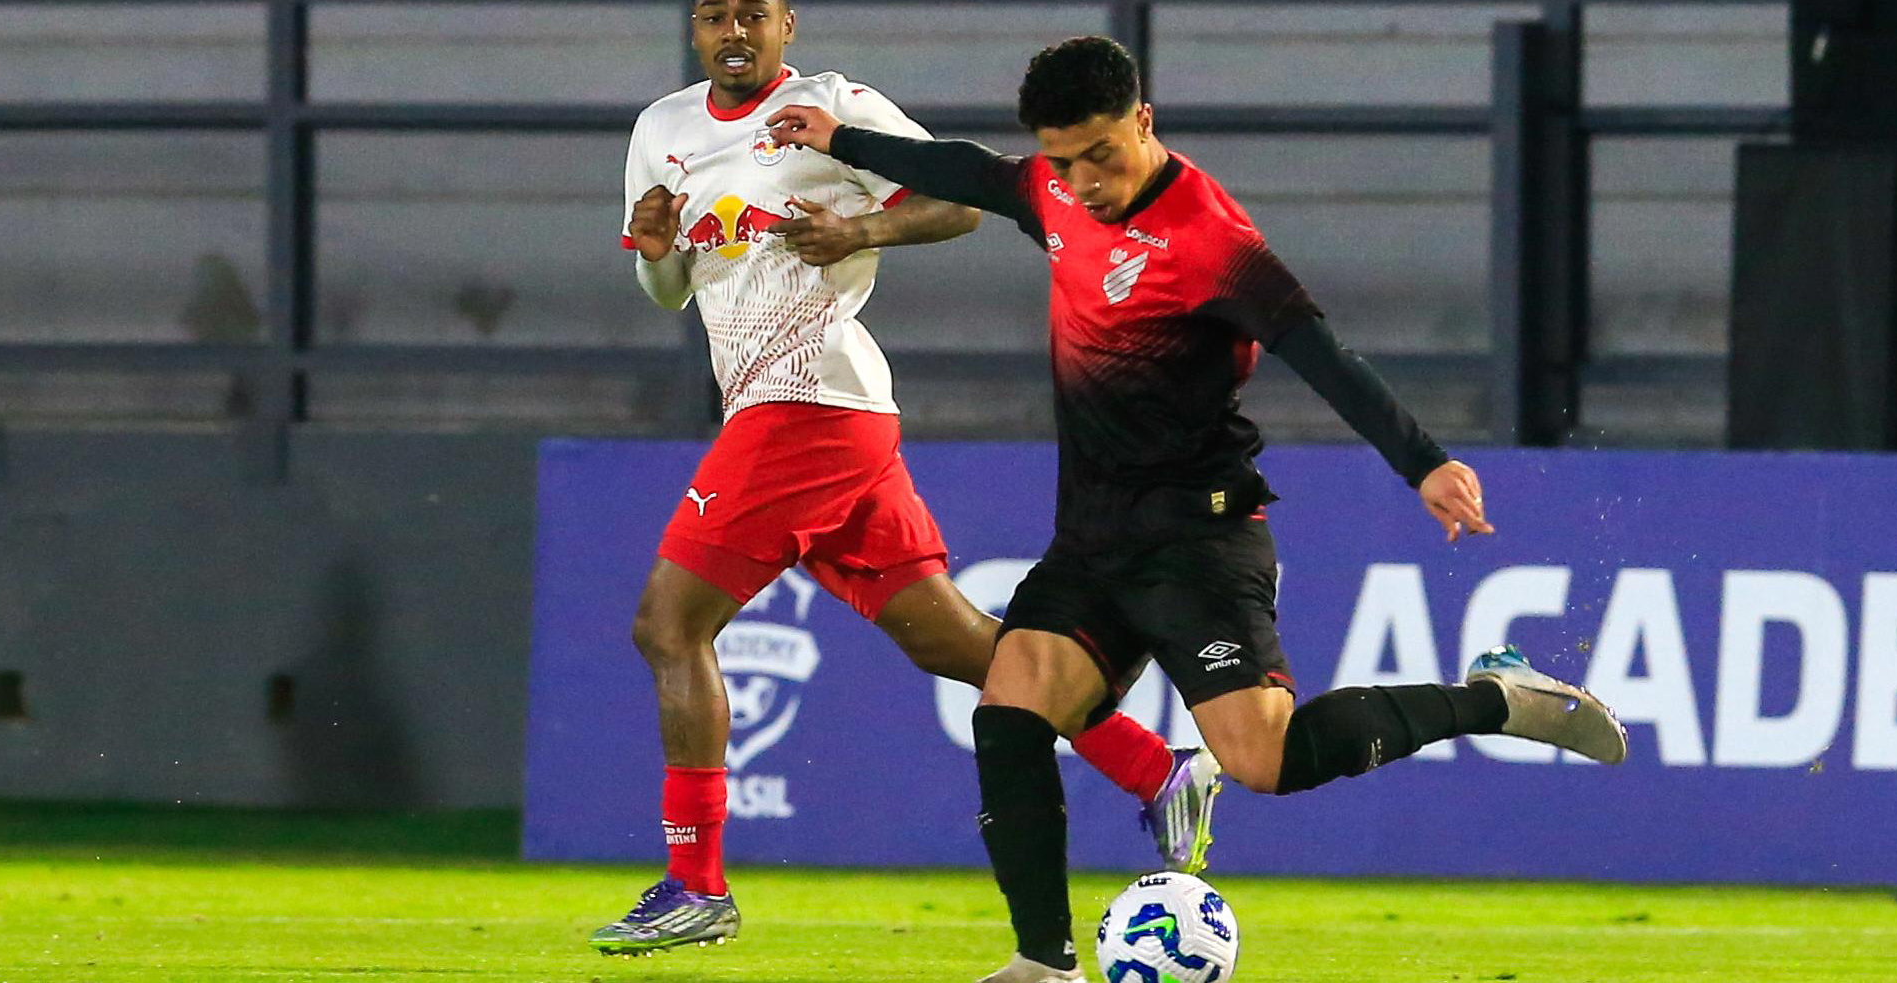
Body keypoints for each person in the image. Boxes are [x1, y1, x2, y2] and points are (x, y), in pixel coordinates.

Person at [767, 36, 1626, 983]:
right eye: (1063, 161)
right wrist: (841, 139)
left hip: (1197, 539)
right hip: (1091, 538)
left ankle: (1498, 697)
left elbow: (1322, 356)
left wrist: (1422, 462)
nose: (1083, 182)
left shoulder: (1209, 238)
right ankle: (1043, 962)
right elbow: (970, 172)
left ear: (1143, 121)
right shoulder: (1052, 190)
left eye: (1100, 154)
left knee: (1265, 758)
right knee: (1010, 707)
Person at [589, 2, 1219, 956]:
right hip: (813, 414)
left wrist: (860, 232)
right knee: (954, 643)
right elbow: (670, 289)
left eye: (752, 14)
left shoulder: (833, 105)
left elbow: (960, 202)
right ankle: (1155, 769)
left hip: (807, 401)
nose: (733, 31)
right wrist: (653, 250)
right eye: (714, 14)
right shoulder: (662, 129)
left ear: (785, 24)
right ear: (696, 28)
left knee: (668, 626)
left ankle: (696, 883)